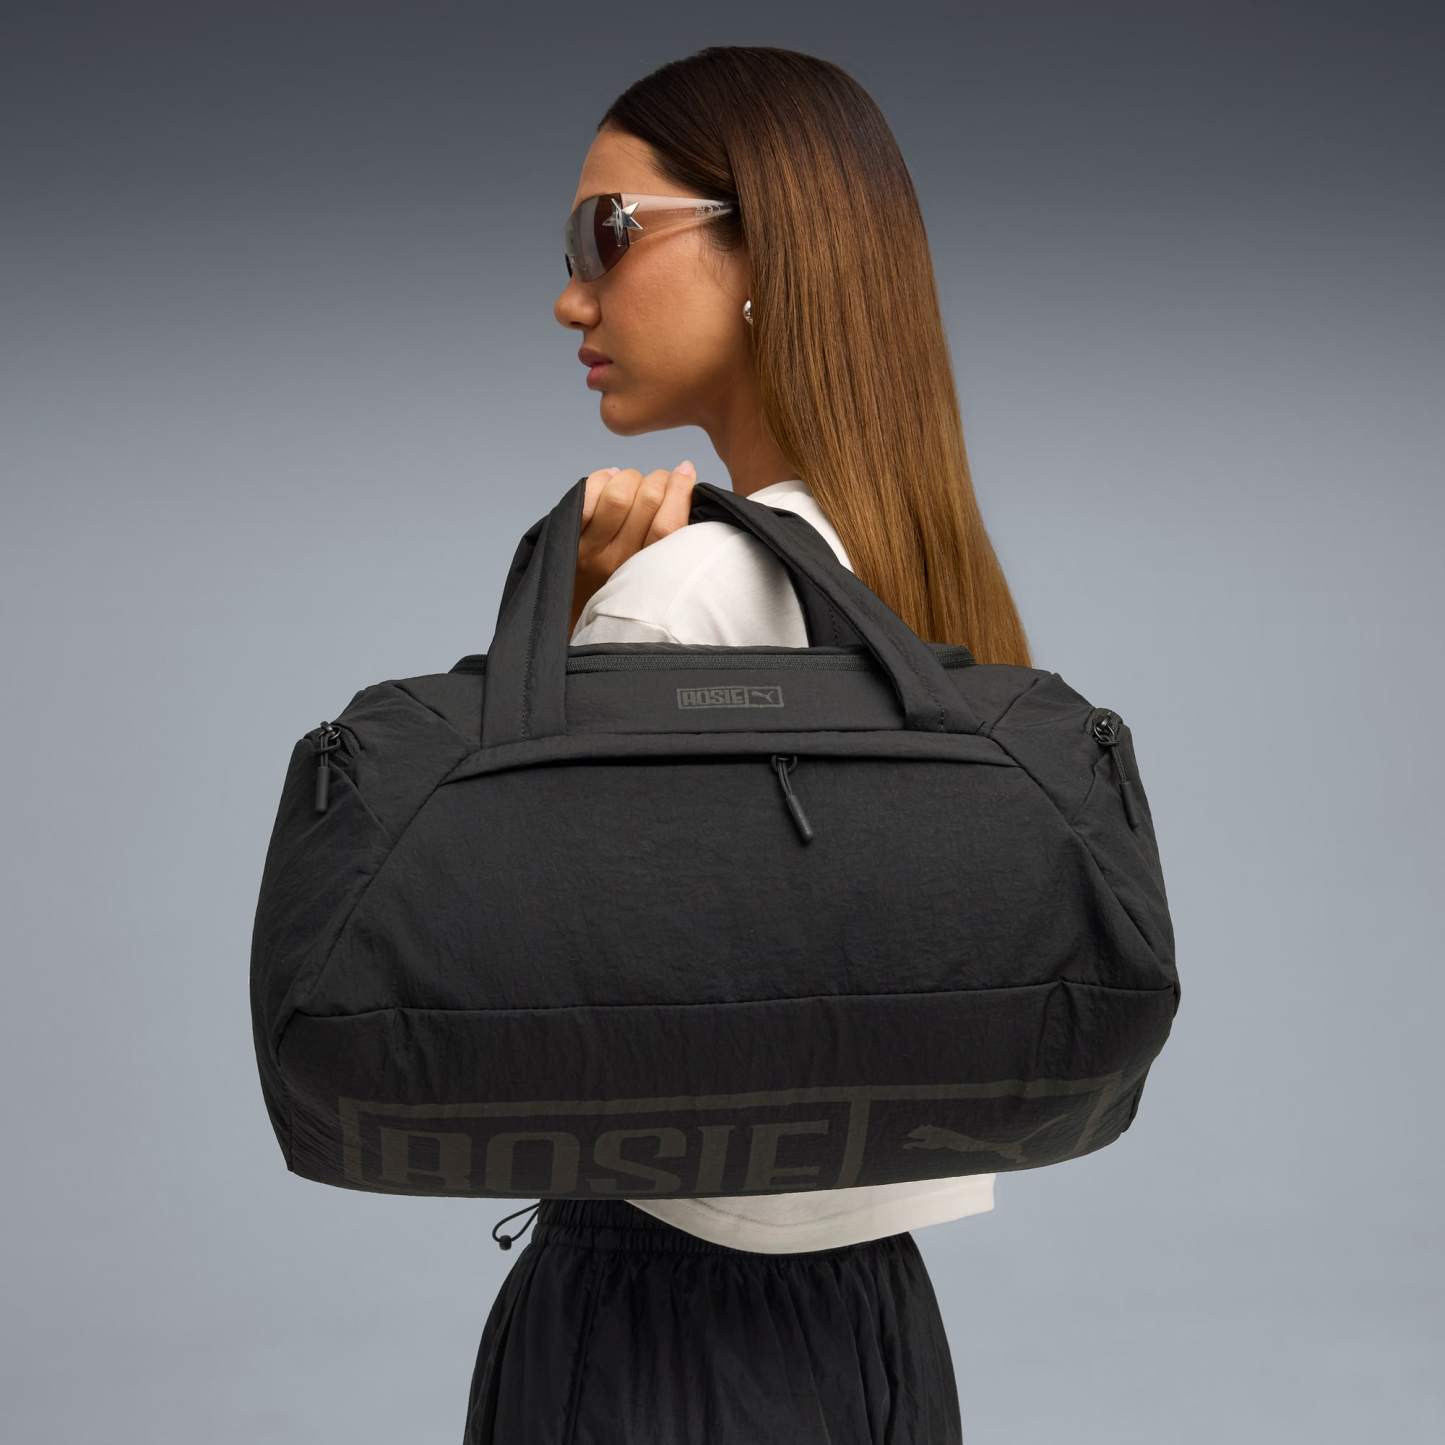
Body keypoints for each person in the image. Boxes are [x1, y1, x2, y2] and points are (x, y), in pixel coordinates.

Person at [463, 44, 1033, 1445]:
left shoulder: (678, 600)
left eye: (608, 232)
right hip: (879, 1317)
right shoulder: (929, 586)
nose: (571, 295)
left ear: (765, 248)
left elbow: (520, 992)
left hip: (659, 1314)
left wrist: (574, 645)